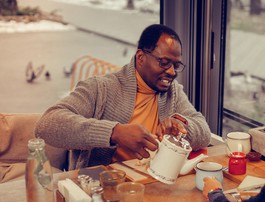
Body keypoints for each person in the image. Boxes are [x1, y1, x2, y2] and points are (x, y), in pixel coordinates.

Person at [35, 24, 211, 170]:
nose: (172, 72)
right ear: (141, 57)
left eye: (176, 65)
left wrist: (181, 124)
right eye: (164, 63)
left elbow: (204, 133)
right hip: (102, 187)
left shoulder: (173, 92)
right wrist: (114, 132)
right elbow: (46, 126)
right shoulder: (101, 88)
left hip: (155, 183)